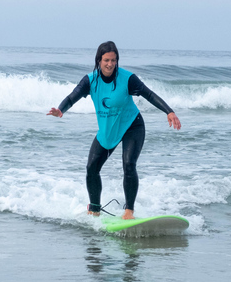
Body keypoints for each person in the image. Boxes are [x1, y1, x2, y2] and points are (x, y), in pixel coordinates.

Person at [47, 41, 181, 220]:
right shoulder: (90, 80)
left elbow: (148, 94)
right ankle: (95, 209)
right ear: (99, 60)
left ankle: (129, 211)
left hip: (132, 125)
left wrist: (169, 111)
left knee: (129, 164)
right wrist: (61, 110)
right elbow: (73, 96)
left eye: (113, 60)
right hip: (109, 128)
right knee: (92, 168)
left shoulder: (127, 79)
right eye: (106, 60)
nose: (110, 64)